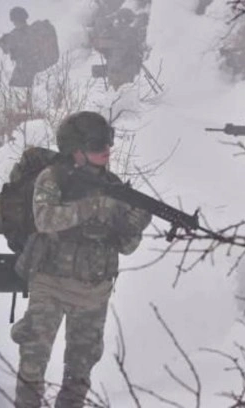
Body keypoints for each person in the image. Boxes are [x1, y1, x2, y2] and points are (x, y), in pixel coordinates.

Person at [11, 111, 151, 407]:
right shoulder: (54, 178)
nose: (107, 149)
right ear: (75, 149)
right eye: (98, 144)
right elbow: (45, 219)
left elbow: (126, 247)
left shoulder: (115, 188)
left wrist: (134, 225)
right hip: (50, 283)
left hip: (93, 292)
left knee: (80, 369)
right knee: (33, 360)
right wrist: (94, 207)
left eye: (108, 141)